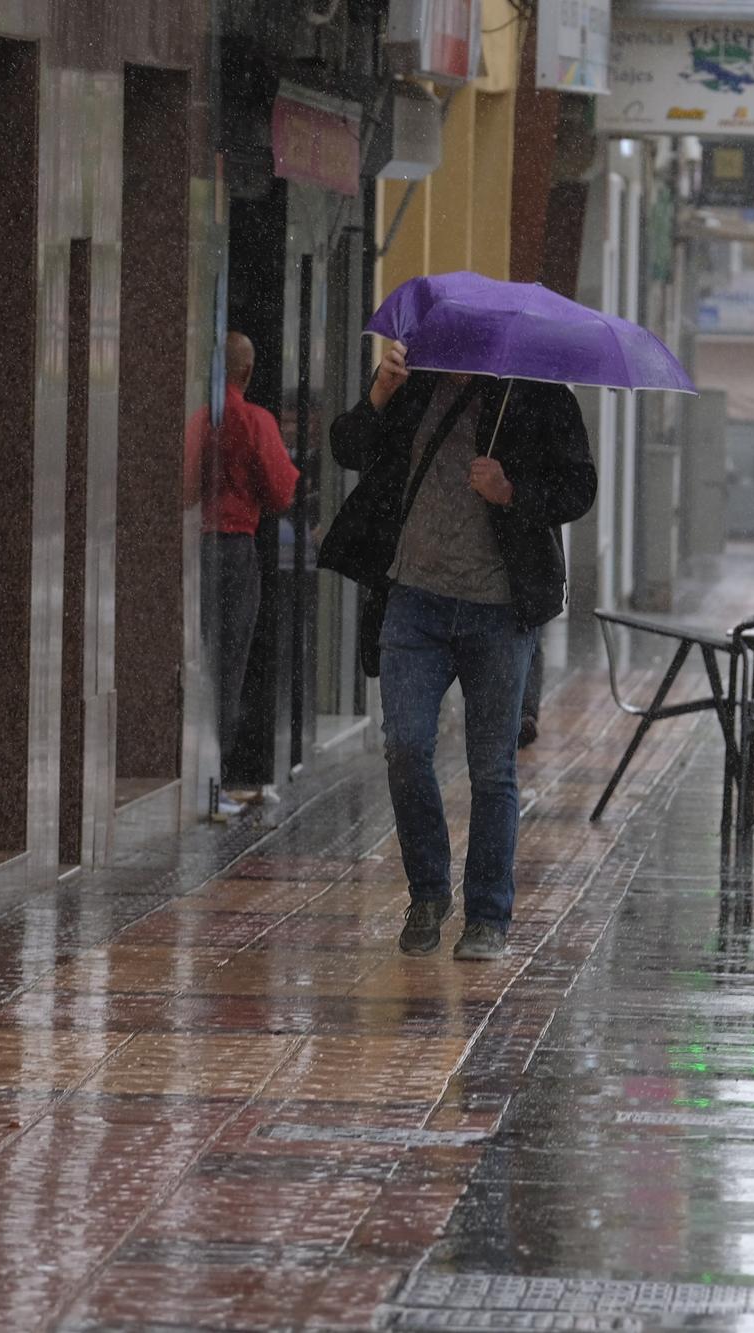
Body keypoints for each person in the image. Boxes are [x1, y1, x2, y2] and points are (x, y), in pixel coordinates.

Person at [326, 340, 595, 961]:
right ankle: (427, 891)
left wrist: (512, 491)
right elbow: (347, 450)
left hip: (498, 610)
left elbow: (580, 487)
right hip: (414, 599)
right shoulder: (414, 388)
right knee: (405, 746)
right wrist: (378, 395)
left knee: (491, 768)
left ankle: (487, 916)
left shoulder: (538, 394)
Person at [184, 332, 300, 817]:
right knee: (229, 663)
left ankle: (196, 771)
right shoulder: (255, 421)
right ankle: (219, 777)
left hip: (197, 549)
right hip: (235, 548)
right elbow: (281, 491)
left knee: (201, 656)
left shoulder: (197, 421)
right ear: (247, 372)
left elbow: (184, 488)